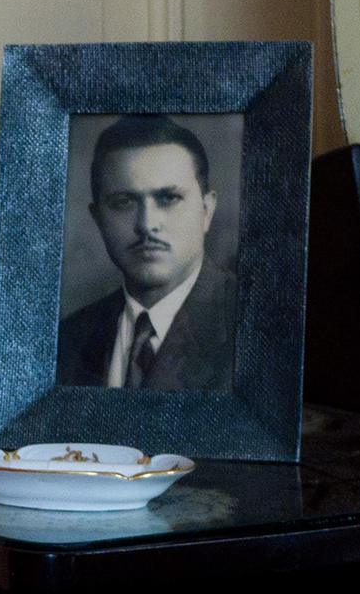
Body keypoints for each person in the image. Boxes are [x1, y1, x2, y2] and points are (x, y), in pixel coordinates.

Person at [55, 115, 238, 391]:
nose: (147, 224)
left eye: (169, 198)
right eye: (123, 202)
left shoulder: (252, 326)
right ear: (98, 218)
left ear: (207, 211)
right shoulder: (67, 340)